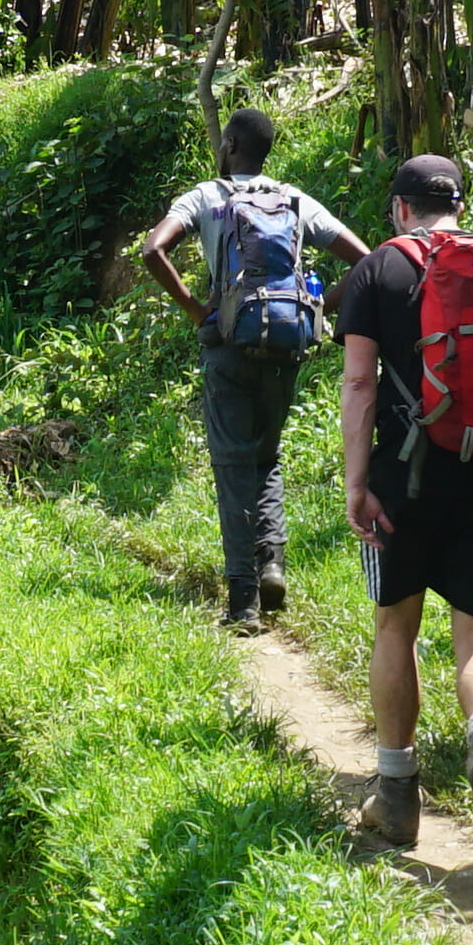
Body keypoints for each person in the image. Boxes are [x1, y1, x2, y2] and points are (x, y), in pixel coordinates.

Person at [332, 150, 473, 855]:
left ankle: (397, 797)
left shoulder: (378, 269)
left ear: (401, 207)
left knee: (395, 626)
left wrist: (357, 484)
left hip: (406, 480)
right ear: (458, 204)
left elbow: (361, 384)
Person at [137, 106, 363, 626]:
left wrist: (200, 311)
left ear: (231, 145)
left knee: (232, 464)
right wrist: (321, 305)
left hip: (229, 344)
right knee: (268, 456)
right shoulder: (295, 199)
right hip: (285, 342)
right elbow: (368, 259)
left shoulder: (206, 196)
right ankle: (273, 564)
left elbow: (154, 249)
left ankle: (243, 599)